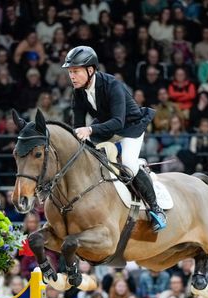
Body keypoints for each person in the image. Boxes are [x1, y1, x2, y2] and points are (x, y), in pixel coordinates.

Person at [63, 45, 166, 231]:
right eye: (70, 72)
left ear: (90, 70)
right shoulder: (78, 92)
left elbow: (118, 122)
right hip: (105, 128)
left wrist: (90, 130)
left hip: (130, 127)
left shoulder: (112, 85)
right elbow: (77, 125)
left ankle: (157, 209)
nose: (72, 76)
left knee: (128, 162)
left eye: (75, 71)